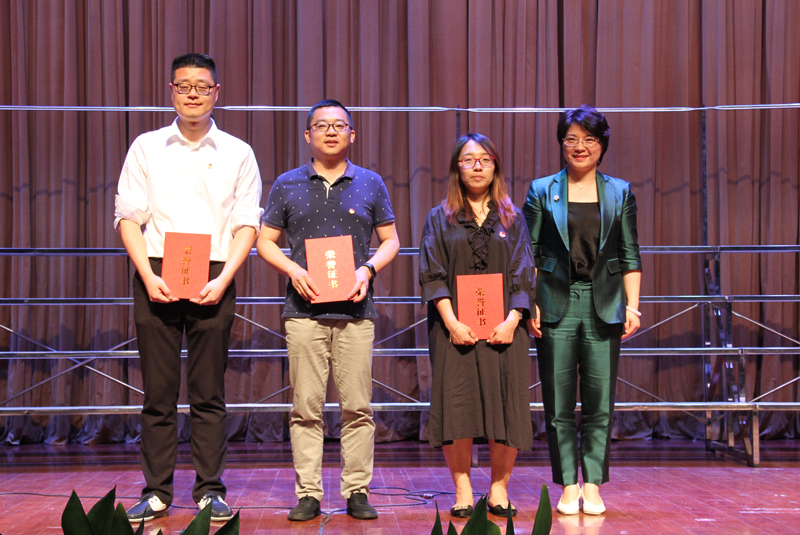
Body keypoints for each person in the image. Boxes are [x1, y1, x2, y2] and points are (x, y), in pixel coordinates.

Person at [114, 54, 262, 522]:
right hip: (155, 270)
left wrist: (223, 279)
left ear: (217, 92)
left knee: (207, 393)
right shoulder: (146, 146)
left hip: (215, 272)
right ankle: (156, 491)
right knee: (157, 394)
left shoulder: (238, 151)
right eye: (184, 86)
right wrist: (148, 273)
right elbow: (127, 217)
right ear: (171, 91)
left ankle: (209, 491)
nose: (193, 93)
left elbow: (246, 225)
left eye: (202, 86)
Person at [257, 99, 400, 521]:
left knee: (358, 406)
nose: (331, 131)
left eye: (340, 125)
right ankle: (309, 493)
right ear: (308, 135)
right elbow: (264, 240)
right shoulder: (287, 183)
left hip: (357, 312)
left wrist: (368, 269)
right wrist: (292, 268)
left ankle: (357, 489)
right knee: (306, 406)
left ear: (352, 134)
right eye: (322, 125)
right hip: (303, 312)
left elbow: (391, 239)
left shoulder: (371, 182)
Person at [523, 104, 642, 515]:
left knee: (599, 404)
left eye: (589, 139)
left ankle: (592, 484)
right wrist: (531, 301)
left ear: (602, 145)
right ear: (561, 143)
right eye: (571, 138)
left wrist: (634, 307)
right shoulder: (541, 190)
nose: (580, 147)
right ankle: (567, 486)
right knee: (557, 406)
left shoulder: (620, 191)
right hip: (556, 302)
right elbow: (531, 252)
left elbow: (629, 253)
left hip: (605, 303)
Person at [419, 133, 535, 518]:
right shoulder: (440, 218)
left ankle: (499, 489)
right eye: (469, 160)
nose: (478, 166)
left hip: (505, 330)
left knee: (507, 406)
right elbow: (432, 273)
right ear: (457, 167)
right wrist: (451, 322)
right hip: (454, 330)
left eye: (485, 159)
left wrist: (513, 319)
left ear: (495, 165)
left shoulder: (512, 217)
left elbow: (523, 273)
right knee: (458, 407)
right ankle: (464, 488)